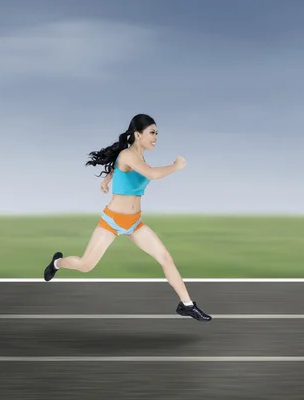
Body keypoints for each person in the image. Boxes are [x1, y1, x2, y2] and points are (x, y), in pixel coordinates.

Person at [43, 113, 212, 322]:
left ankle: (187, 305)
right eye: (152, 132)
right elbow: (150, 174)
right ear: (137, 134)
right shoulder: (129, 155)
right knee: (86, 265)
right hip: (112, 221)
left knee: (165, 259)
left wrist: (107, 178)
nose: (156, 137)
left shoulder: (137, 157)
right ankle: (57, 263)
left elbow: (120, 167)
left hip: (134, 223)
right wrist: (175, 166)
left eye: (157, 133)